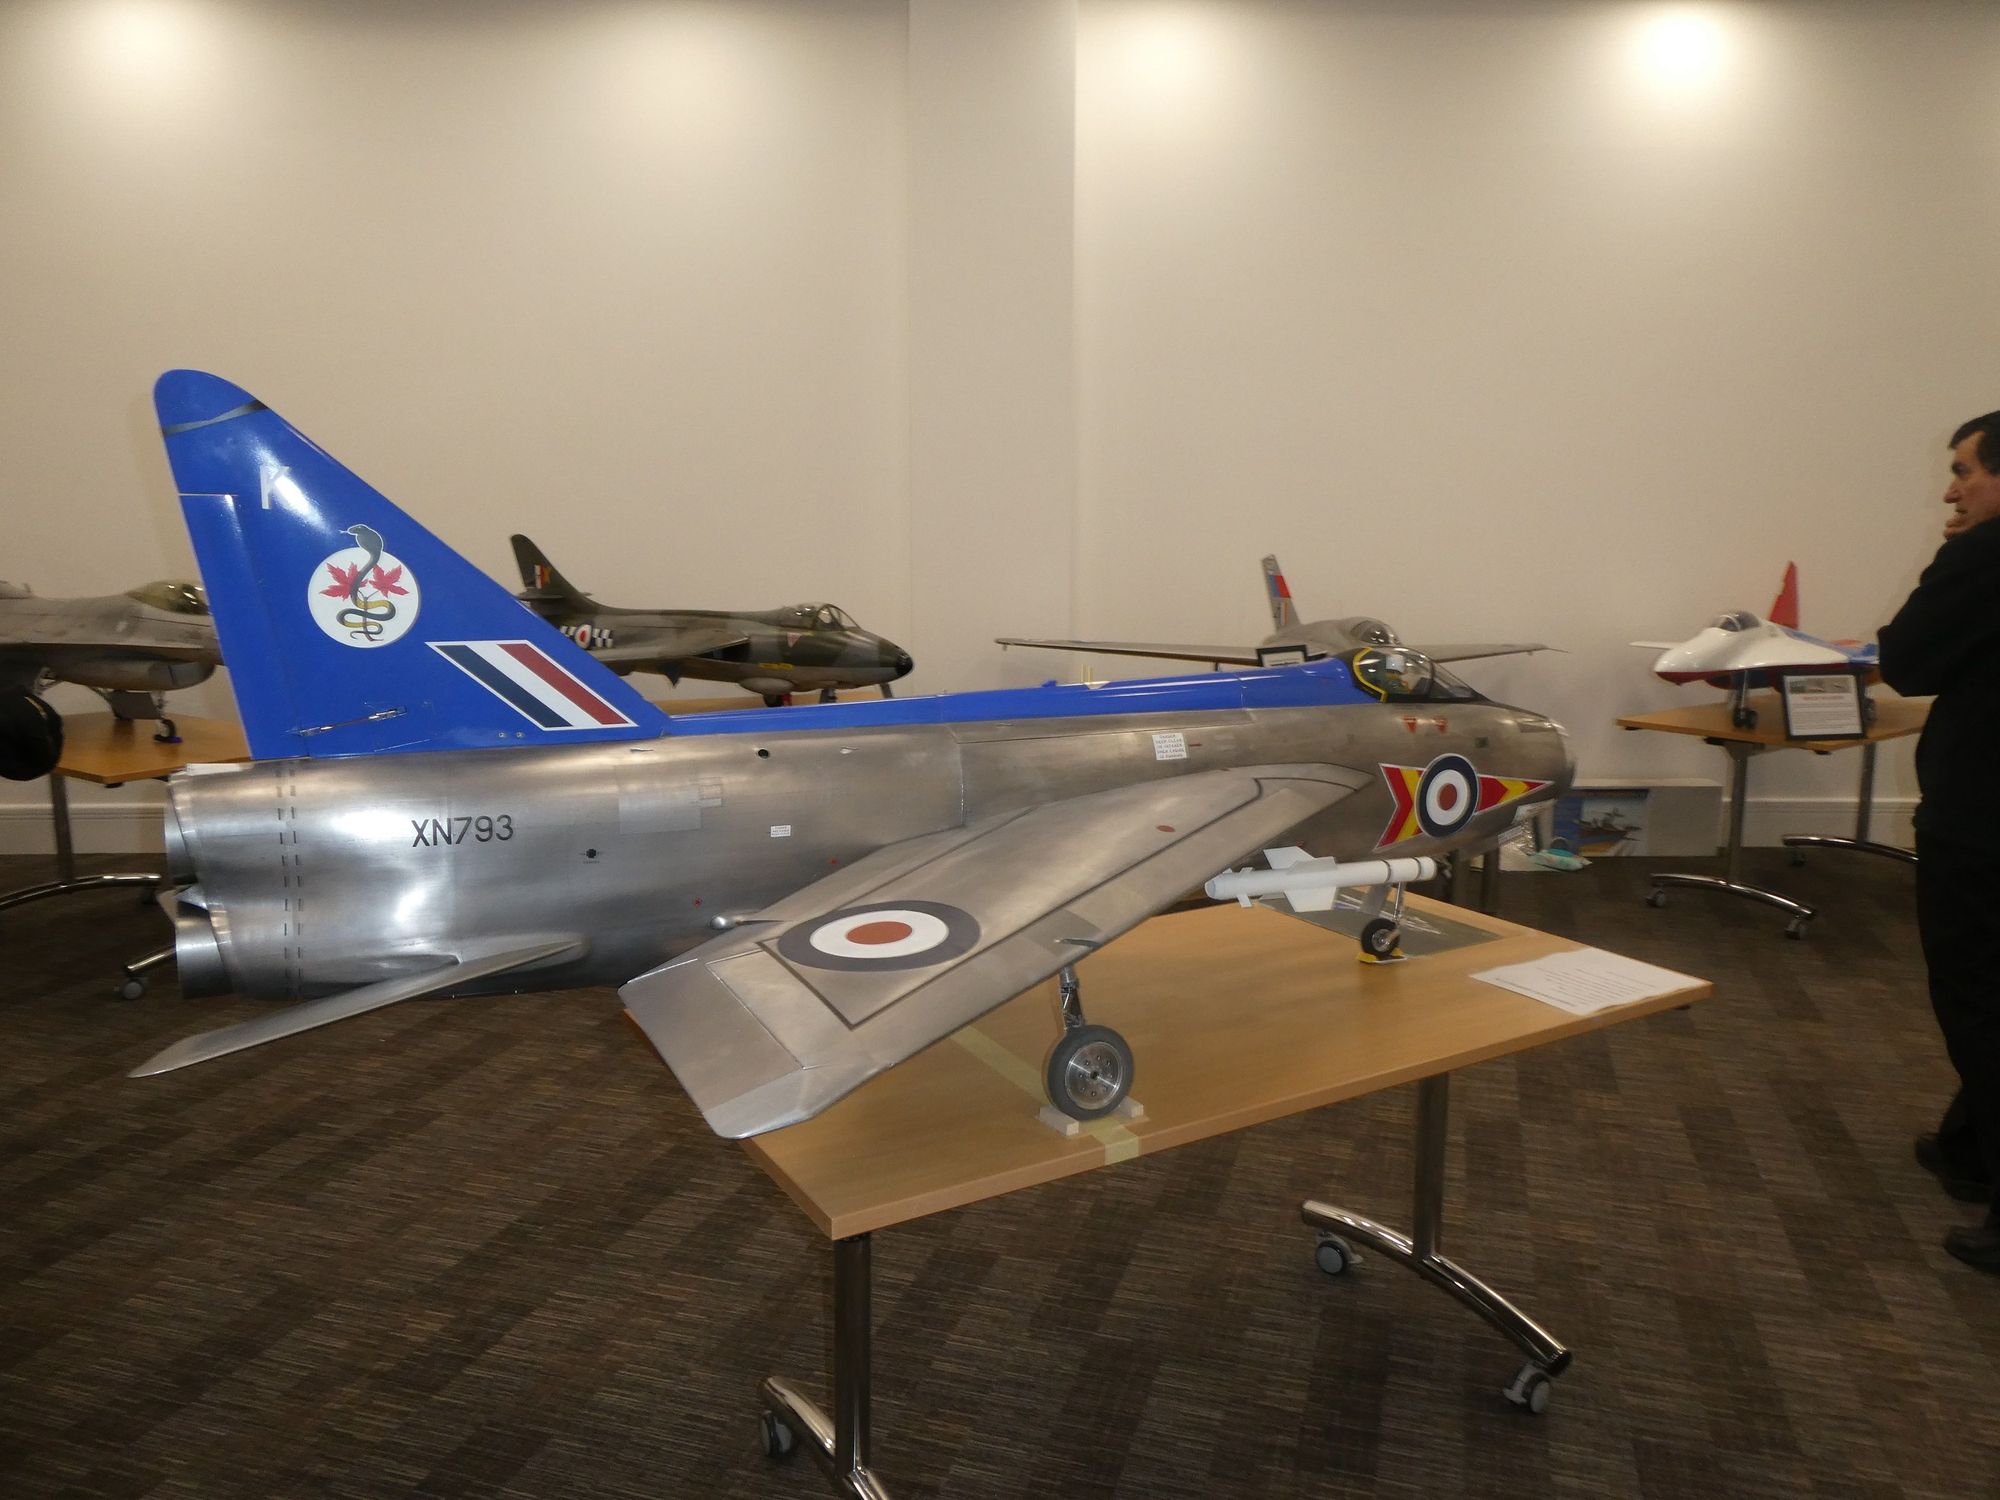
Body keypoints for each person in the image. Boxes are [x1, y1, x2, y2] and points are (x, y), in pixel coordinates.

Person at [1878, 410, 2000, 1271]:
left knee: (1979, 996)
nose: (1952, 490)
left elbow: (1909, 661)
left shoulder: (1984, 557)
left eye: (1965, 472)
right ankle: (1970, 1147)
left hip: (1984, 819)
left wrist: (1955, 555)